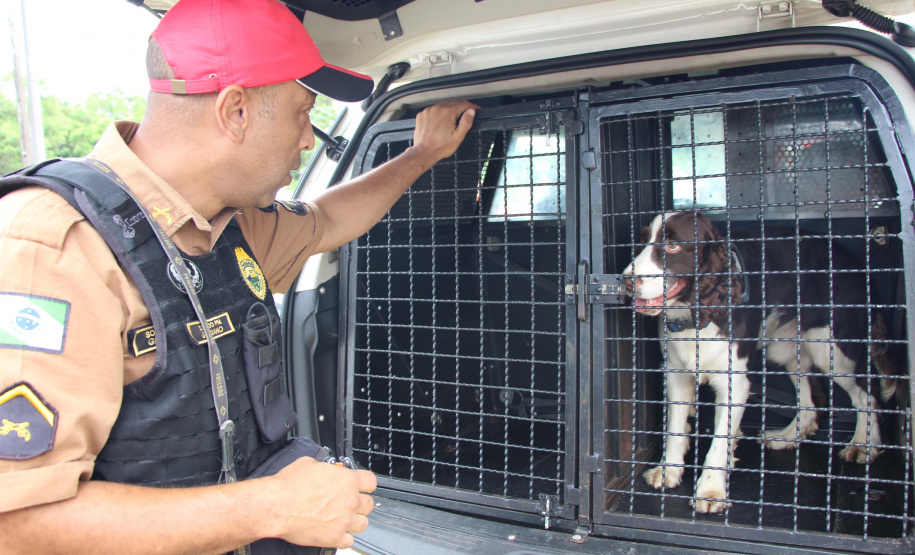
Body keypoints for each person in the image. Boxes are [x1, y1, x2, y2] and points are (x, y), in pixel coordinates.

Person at [0, 0, 477, 552]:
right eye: (303, 112)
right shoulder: (52, 246)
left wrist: (421, 155)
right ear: (236, 112)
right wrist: (272, 506)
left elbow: (326, 221)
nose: (307, 138)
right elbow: (16, 520)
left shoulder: (227, 225)